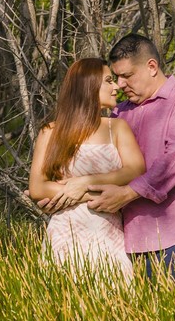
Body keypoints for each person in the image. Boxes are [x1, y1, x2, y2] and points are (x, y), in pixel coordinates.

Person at [86, 34, 175, 278]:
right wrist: (57, 187)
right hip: (126, 244)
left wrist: (126, 194)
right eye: (117, 77)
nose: (120, 84)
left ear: (152, 67)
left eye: (127, 76)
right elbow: (94, 157)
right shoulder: (119, 114)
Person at [27, 58, 146, 278]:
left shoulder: (117, 127)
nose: (116, 87)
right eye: (108, 81)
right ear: (88, 87)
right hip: (64, 232)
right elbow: (37, 187)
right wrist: (90, 193)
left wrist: (83, 184)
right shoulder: (51, 131)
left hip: (108, 231)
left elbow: (135, 169)